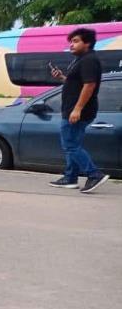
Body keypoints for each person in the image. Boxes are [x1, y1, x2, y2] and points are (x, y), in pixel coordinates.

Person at [49, 27, 110, 193]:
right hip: (72, 109)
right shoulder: (81, 59)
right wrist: (62, 77)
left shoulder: (89, 60)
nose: (71, 45)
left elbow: (89, 85)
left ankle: (94, 174)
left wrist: (77, 109)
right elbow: (76, 83)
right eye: (71, 42)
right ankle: (70, 178)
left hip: (78, 110)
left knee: (69, 145)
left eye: (76, 41)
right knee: (72, 144)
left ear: (87, 43)